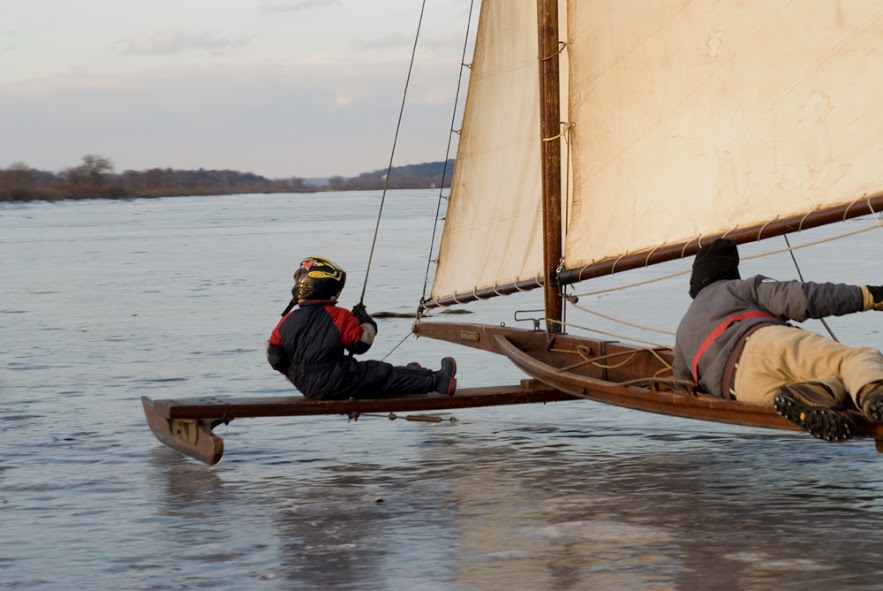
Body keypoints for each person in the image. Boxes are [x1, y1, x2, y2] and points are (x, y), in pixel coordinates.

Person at [672, 238, 883, 442]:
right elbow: (802, 297)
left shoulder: (682, 331)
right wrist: (867, 296)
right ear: (729, 272)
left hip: (743, 389)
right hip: (764, 345)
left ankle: (809, 393)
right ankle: (875, 393)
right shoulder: (741, 288)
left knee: (838, 386)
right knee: (856, 359)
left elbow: (682, 387)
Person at [266, 256, 457, 400]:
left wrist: (297, 372)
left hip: (305, 386)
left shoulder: (286, 320)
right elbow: (362, 343)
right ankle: (438, 380)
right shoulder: (338, 316)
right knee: (383, 374)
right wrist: (365, 320)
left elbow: (274, 356)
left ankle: (413, 375)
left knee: (376, 376)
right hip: (336, 380)